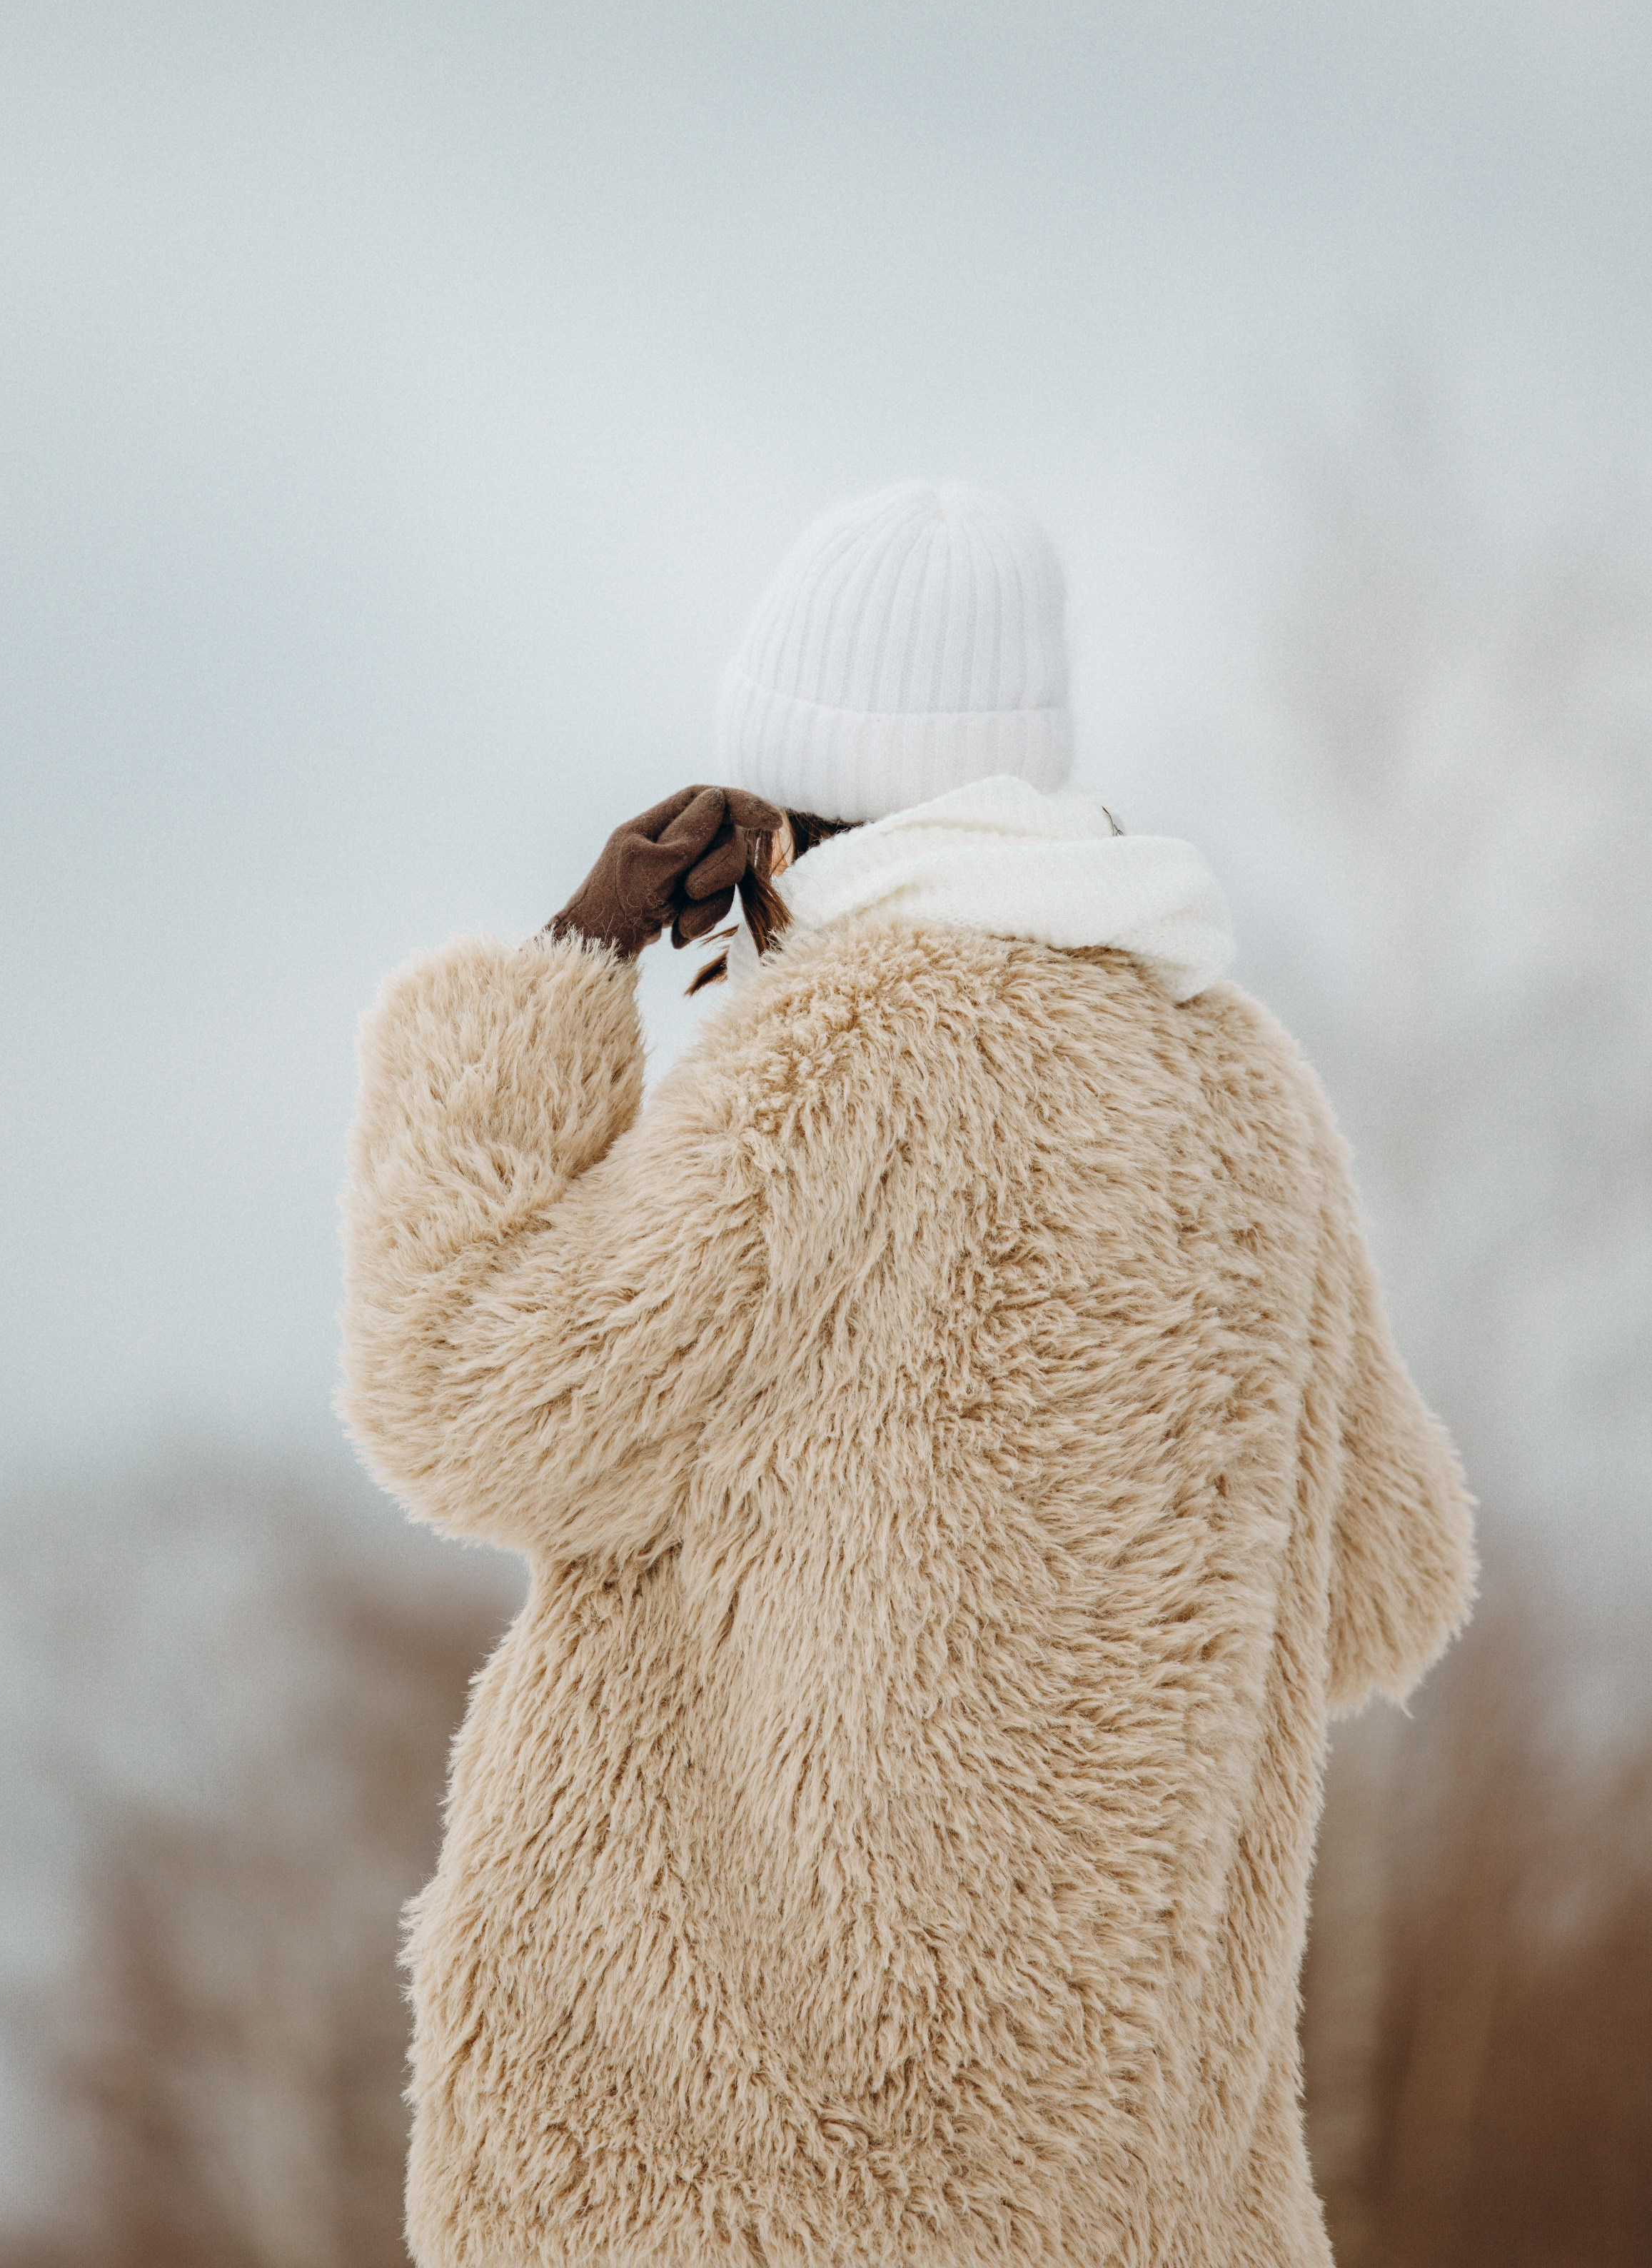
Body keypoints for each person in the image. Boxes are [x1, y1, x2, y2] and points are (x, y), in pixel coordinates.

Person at [338, 478, 1474, 2268]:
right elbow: (1388, 1579)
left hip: (744, 2172)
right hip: (1132, 2198)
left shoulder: (841, 1059)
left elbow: (471, 1393)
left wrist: (571, 964)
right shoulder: (1245, 1094)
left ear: (768, 822)